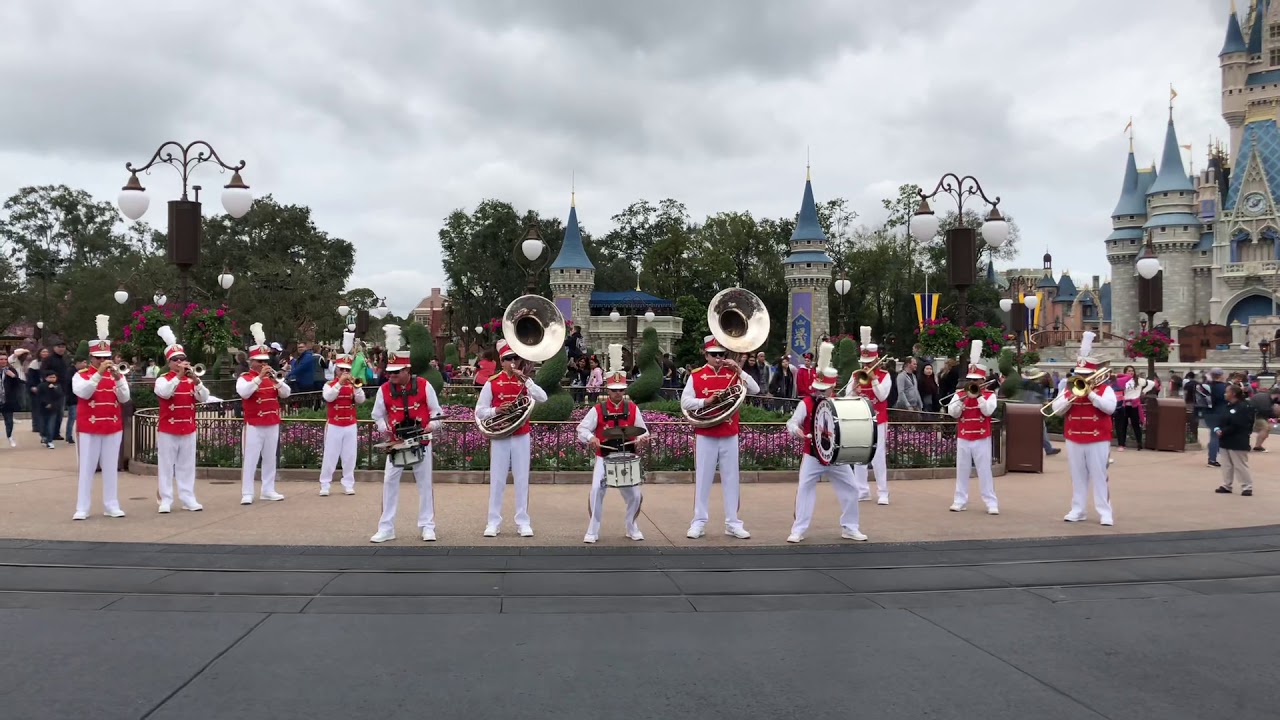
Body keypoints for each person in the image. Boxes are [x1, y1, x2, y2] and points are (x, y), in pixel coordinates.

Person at [680, 334, 761, 539]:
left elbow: (756, 389)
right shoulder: (696, 375)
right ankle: (698, 521)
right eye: (713, 354)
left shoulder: (733, 373)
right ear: (705, 355)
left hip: (728, 432)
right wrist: (706, 402)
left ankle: (733, 522)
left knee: (732, 479)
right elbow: (685, 402)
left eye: (721, 354)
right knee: (703, 478)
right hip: (706, 433)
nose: (718, 358)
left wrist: (739, 369)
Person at [784, 342, 866, 543]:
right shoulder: (807, 402)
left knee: (851, 488)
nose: (819, 393)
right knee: (804, 488)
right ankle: (798, 529)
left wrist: (856, 395)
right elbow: (791, 422)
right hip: (812, 454)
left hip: (836, 456)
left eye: (823, 389)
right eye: (818, 389)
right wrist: (797, 432)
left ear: (832, 388)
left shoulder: (839, 402)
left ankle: (850, 527)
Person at [370, 329, 444, 542]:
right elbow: (377, 415)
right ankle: (386, 527)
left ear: (407, 370)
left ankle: (427, 525)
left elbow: (436, 412)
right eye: (389, 373)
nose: (391, 377)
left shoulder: (423, 385)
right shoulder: (384, 389)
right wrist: (384, 430)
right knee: (389, 482)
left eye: (395, 373)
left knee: (424, 483)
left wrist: (432, 425)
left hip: (421, 440)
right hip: (397, 443)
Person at [575, 345, 650, 543]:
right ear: (608, 389)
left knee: (635, 494)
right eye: (614, 390)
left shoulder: (632, 408)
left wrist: (642, 439)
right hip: (604, 456)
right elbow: (581, 429)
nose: (617, 393)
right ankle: (593, 529)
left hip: (628, 456)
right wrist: (591, 438)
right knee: (596, 490)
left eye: (621, 390)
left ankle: (631, 526)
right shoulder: (598, 409)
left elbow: (644, 430)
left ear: (625, 389)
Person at [476, 338, 548, 537]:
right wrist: (496, 410)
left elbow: (543, 398)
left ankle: (523, 522)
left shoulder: (524, 382)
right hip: (500, 436)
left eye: (515, 358)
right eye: (508, 359)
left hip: (521, 435)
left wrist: (528, 381)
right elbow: (480, 412)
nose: (513, 362)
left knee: (522, 479)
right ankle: (493, 522)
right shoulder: (492, 383)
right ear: (502, 361)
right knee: (497, 480)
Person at [1048, 332, 1116, 526]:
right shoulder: (1069, 389)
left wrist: (1092, 394)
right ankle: (1078, 509)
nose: (1082, 379)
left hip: (1098, 438)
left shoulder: (1105, 389)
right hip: (1074, 437)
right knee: (1077, 476)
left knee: (1099, 475)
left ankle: (1105, 512)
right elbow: (1056, 410)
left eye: (1086, 376)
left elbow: (1110, 408)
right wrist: (1070, 398)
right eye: (1080, 376)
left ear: (1093, 375)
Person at [70, 316, 130, 520]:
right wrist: (98, 374)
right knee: (87, 468)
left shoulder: (116, 375)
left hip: (113, 426)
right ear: (91, 358)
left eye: (107, 357)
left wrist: (119, 379)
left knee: (111, 468)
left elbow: (125, 397)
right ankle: (82, 507)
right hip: (90, 427)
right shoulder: (81, 375)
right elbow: (84, 393)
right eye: (99, 358)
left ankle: (111, 505)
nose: (104, 361)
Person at [152, 326, 208, 513]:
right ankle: (165, 499)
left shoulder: (192, 380)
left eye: (182, 359)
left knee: (186, 466)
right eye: (176, 360)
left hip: (188, 428)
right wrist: (178, 376)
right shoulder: (162, 379)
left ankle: (187, 497)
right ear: (169, 363)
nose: (180, 362)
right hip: (168, 429)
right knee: (166, 466)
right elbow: (165, 393)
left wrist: (197, 382)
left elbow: (204, 398)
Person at [236, 323, 292, 505]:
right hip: (254, 423)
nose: (263, 364)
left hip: (272, 422)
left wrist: (278, 381)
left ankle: (268, 489)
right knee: (251, 459)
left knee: (270, 458)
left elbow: (286, 393)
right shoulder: (245, 378)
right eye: (259, 361)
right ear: (251, 362)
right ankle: (247, 492)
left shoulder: (271, 378)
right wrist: (259, 378)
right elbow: (244, 392)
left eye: (265, 361)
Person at [948, 341, 999, 515]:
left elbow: (988, 411)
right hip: (963, 436)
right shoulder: (959, 394)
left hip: (981, 437)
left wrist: (978, 397)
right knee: (961, 470)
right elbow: (951, 413)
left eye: (976, 380)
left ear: (983, 380)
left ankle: (991, 502)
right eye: (971, 380)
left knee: (984, 470)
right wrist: (959, 405)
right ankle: (960, 500)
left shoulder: (990, 395)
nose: (973, 383)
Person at [845, 326, 891, 504]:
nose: (866, 365)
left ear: (876, 359)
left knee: (878, 456)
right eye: (864, 362)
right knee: (860, 455)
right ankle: (862, 490)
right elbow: (847, 395)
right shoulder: (855, 374)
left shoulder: (885, 375)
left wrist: (874, 379)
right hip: (861, 419)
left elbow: (882, 396)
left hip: (879, 419)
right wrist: (854, 386)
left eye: (869, 362)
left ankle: (883, 493)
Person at [318, 333, 366, 497]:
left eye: (347, 369)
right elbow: (328, 397)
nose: (345, 372)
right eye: (342, 369)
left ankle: (348, 483)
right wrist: (339, 383)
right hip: (334, 424)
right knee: (330, 455)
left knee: (350, 456)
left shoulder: (353, 384)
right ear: (336, 370)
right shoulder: (329, 384)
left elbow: (361, 400)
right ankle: (325, 484)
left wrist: (357, 387)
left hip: (350, 424)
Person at [1214, 383, 1255, 496]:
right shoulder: (1227, 406)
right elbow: (1221, 420)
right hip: (1225, 440)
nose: (1225, 394)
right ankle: (1227, 485)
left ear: (1233, 394)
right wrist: (1217, 428)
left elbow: (1239, 424)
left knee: (1240, 465)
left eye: (1227, 392)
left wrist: (1224, 431)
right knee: (1226, 465)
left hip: (1238, 440)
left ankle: (1247, 486)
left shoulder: (1243, 407)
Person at [0, 353, 20, 447]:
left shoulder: (11, 370)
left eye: (5, 359)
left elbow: (18, 384)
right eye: (1, 359)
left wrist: (13, 376)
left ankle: (9, 436)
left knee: (9, 420)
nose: (3, 361)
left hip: (7, 399)